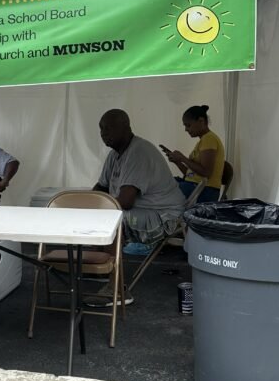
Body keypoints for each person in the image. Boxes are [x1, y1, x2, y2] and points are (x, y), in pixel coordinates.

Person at [91, 109, 186, 305]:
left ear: (126, 127)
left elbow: (125, 201)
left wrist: (96, 209)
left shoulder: (139, 152)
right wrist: (87, 205)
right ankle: (103, 268)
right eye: (101, 128)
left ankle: (116, 290)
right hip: (144, 212)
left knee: (112, 221)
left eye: (109, 128)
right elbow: (100, 188)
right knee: (98, 215)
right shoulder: (114, 155)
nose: (103, 133)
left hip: (164, 217)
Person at [160, 104, 224, 203]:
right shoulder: (203, 141)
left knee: (160, 190)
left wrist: (182, 158)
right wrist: (177, 162)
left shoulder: (209, 139)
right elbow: (190, 175)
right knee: (161, 182)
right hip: (196, 187)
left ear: (201, 121)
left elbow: (206, 172)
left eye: (188, 125)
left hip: (205, 191)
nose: (186, 129)